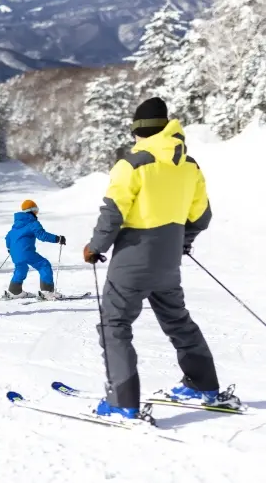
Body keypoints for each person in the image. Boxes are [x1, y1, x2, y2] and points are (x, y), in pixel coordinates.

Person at [83, 97, 242, 422]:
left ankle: (122, 402)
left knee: (115, 324)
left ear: (139, 131)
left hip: (132, 259)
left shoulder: (132, 164)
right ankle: (203, 386)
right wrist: (181, 243)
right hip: (168, 263)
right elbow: (201, 217)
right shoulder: (189, 165)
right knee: (178, 321)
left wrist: (95, 247)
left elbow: (113, 213)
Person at [5, 199, 66, 300]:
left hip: (15, 254)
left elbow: (8, 237)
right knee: (44, 265)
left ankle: (15, 291)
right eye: (36, 210)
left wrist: (9, 249)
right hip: (26, 252)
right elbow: (42, 235)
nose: (36, 213)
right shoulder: (32, 223)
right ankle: (47, 291)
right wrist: (57, 238)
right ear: (32, 210)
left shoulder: (15, 225)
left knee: (21, 268)